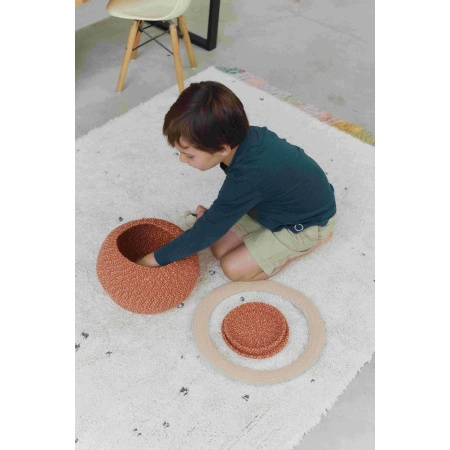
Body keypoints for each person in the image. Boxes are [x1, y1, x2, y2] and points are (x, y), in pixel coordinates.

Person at [137, 81, 336, 281]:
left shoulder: (250, 174)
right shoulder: (243, 139)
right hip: (273, 207)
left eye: (189, 155)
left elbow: (205, 232)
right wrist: (214, 221)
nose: (182, 160)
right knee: (219, 247)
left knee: (232, 268)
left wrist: (152, 260)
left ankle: (312, 243)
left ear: (222, 149)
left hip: (307, 223)